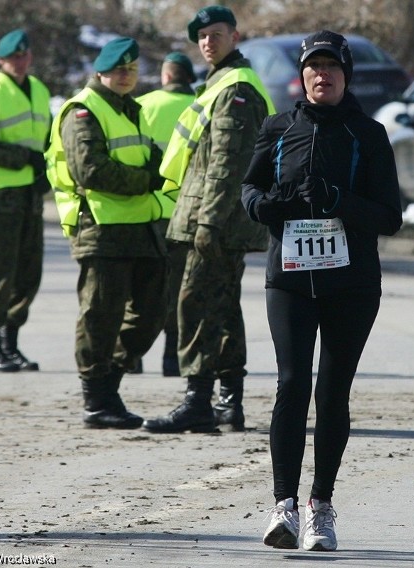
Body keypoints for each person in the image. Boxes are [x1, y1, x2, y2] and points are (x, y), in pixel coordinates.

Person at [240, 30, 403, 551]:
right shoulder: (278, 127)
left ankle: (321, 508)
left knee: (331, 392)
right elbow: (250, 187)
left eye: (331, 67)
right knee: (292, 384)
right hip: (289, 279)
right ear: (302, 75)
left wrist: (338, 199)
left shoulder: (368, 134)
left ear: (344, 76)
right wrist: (263, 205)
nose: (321, 75)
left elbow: (390, 217)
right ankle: (283, 507)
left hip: (351, 283)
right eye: (313, 67)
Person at [141, 5, 274, 434]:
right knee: (221, 305)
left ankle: (198, 400)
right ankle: (227, 402)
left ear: (234, 37)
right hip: (210, 215)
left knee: (195, 304)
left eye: (216, 33)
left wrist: (209, 222)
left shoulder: (236, 87)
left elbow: (227, 164)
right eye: (201, 36)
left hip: (214, 219)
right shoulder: (219, 83)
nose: (207, 41)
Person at [45, 37, 168, 429]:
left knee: (150, 313)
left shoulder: (132, 109)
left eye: (131, 70)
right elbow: (90, 171)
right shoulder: (83, 110)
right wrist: (148, 179)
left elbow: (153, 159)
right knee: (101, 314)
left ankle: (109, 381)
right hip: (101, 227)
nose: (126, 76)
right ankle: (97, 399)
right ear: (101, 71)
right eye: (118, 70)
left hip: (142, 225)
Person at [0, 29, 51, 373]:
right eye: (14, 57)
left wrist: (43, 168)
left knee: (28, 273)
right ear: (1, 60)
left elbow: (44, 141)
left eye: (25, 55)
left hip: (29, 195)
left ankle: (11, 345)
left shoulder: (40, 90)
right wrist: (25, 159)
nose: (21, 61)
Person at [134, 52, 197, 377]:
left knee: (141, 284)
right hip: (188, 213)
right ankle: (172, 356)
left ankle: (131, 355)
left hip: (147, 210)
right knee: (181, 287)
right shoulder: (203, 105)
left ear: (166, 76)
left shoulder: (143, 105)